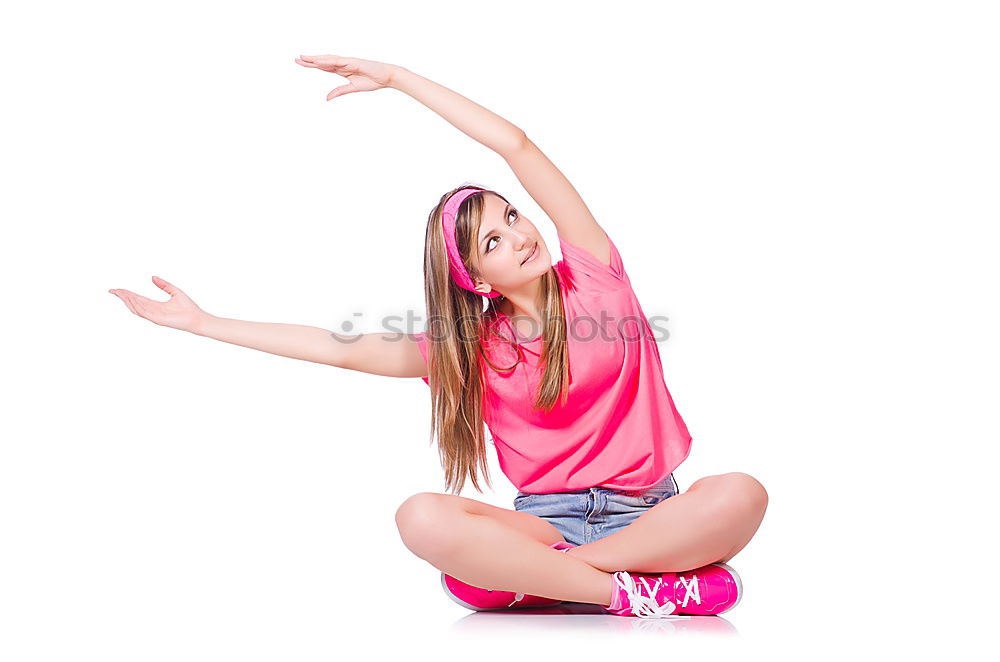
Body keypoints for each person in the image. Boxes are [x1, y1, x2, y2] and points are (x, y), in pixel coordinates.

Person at [109, 54, 769, 619]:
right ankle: (627, 594)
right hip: (544, 523)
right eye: (493, 240)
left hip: (651, 515)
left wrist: (399, 77)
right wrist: (204, 324)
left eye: (511, 216)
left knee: (741, 494)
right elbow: (336, 347)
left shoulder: (598, 277)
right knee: (420, 518)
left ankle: (539, 581)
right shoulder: (467, 349)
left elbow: (516, 145)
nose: (519, 233)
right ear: (477, 279)